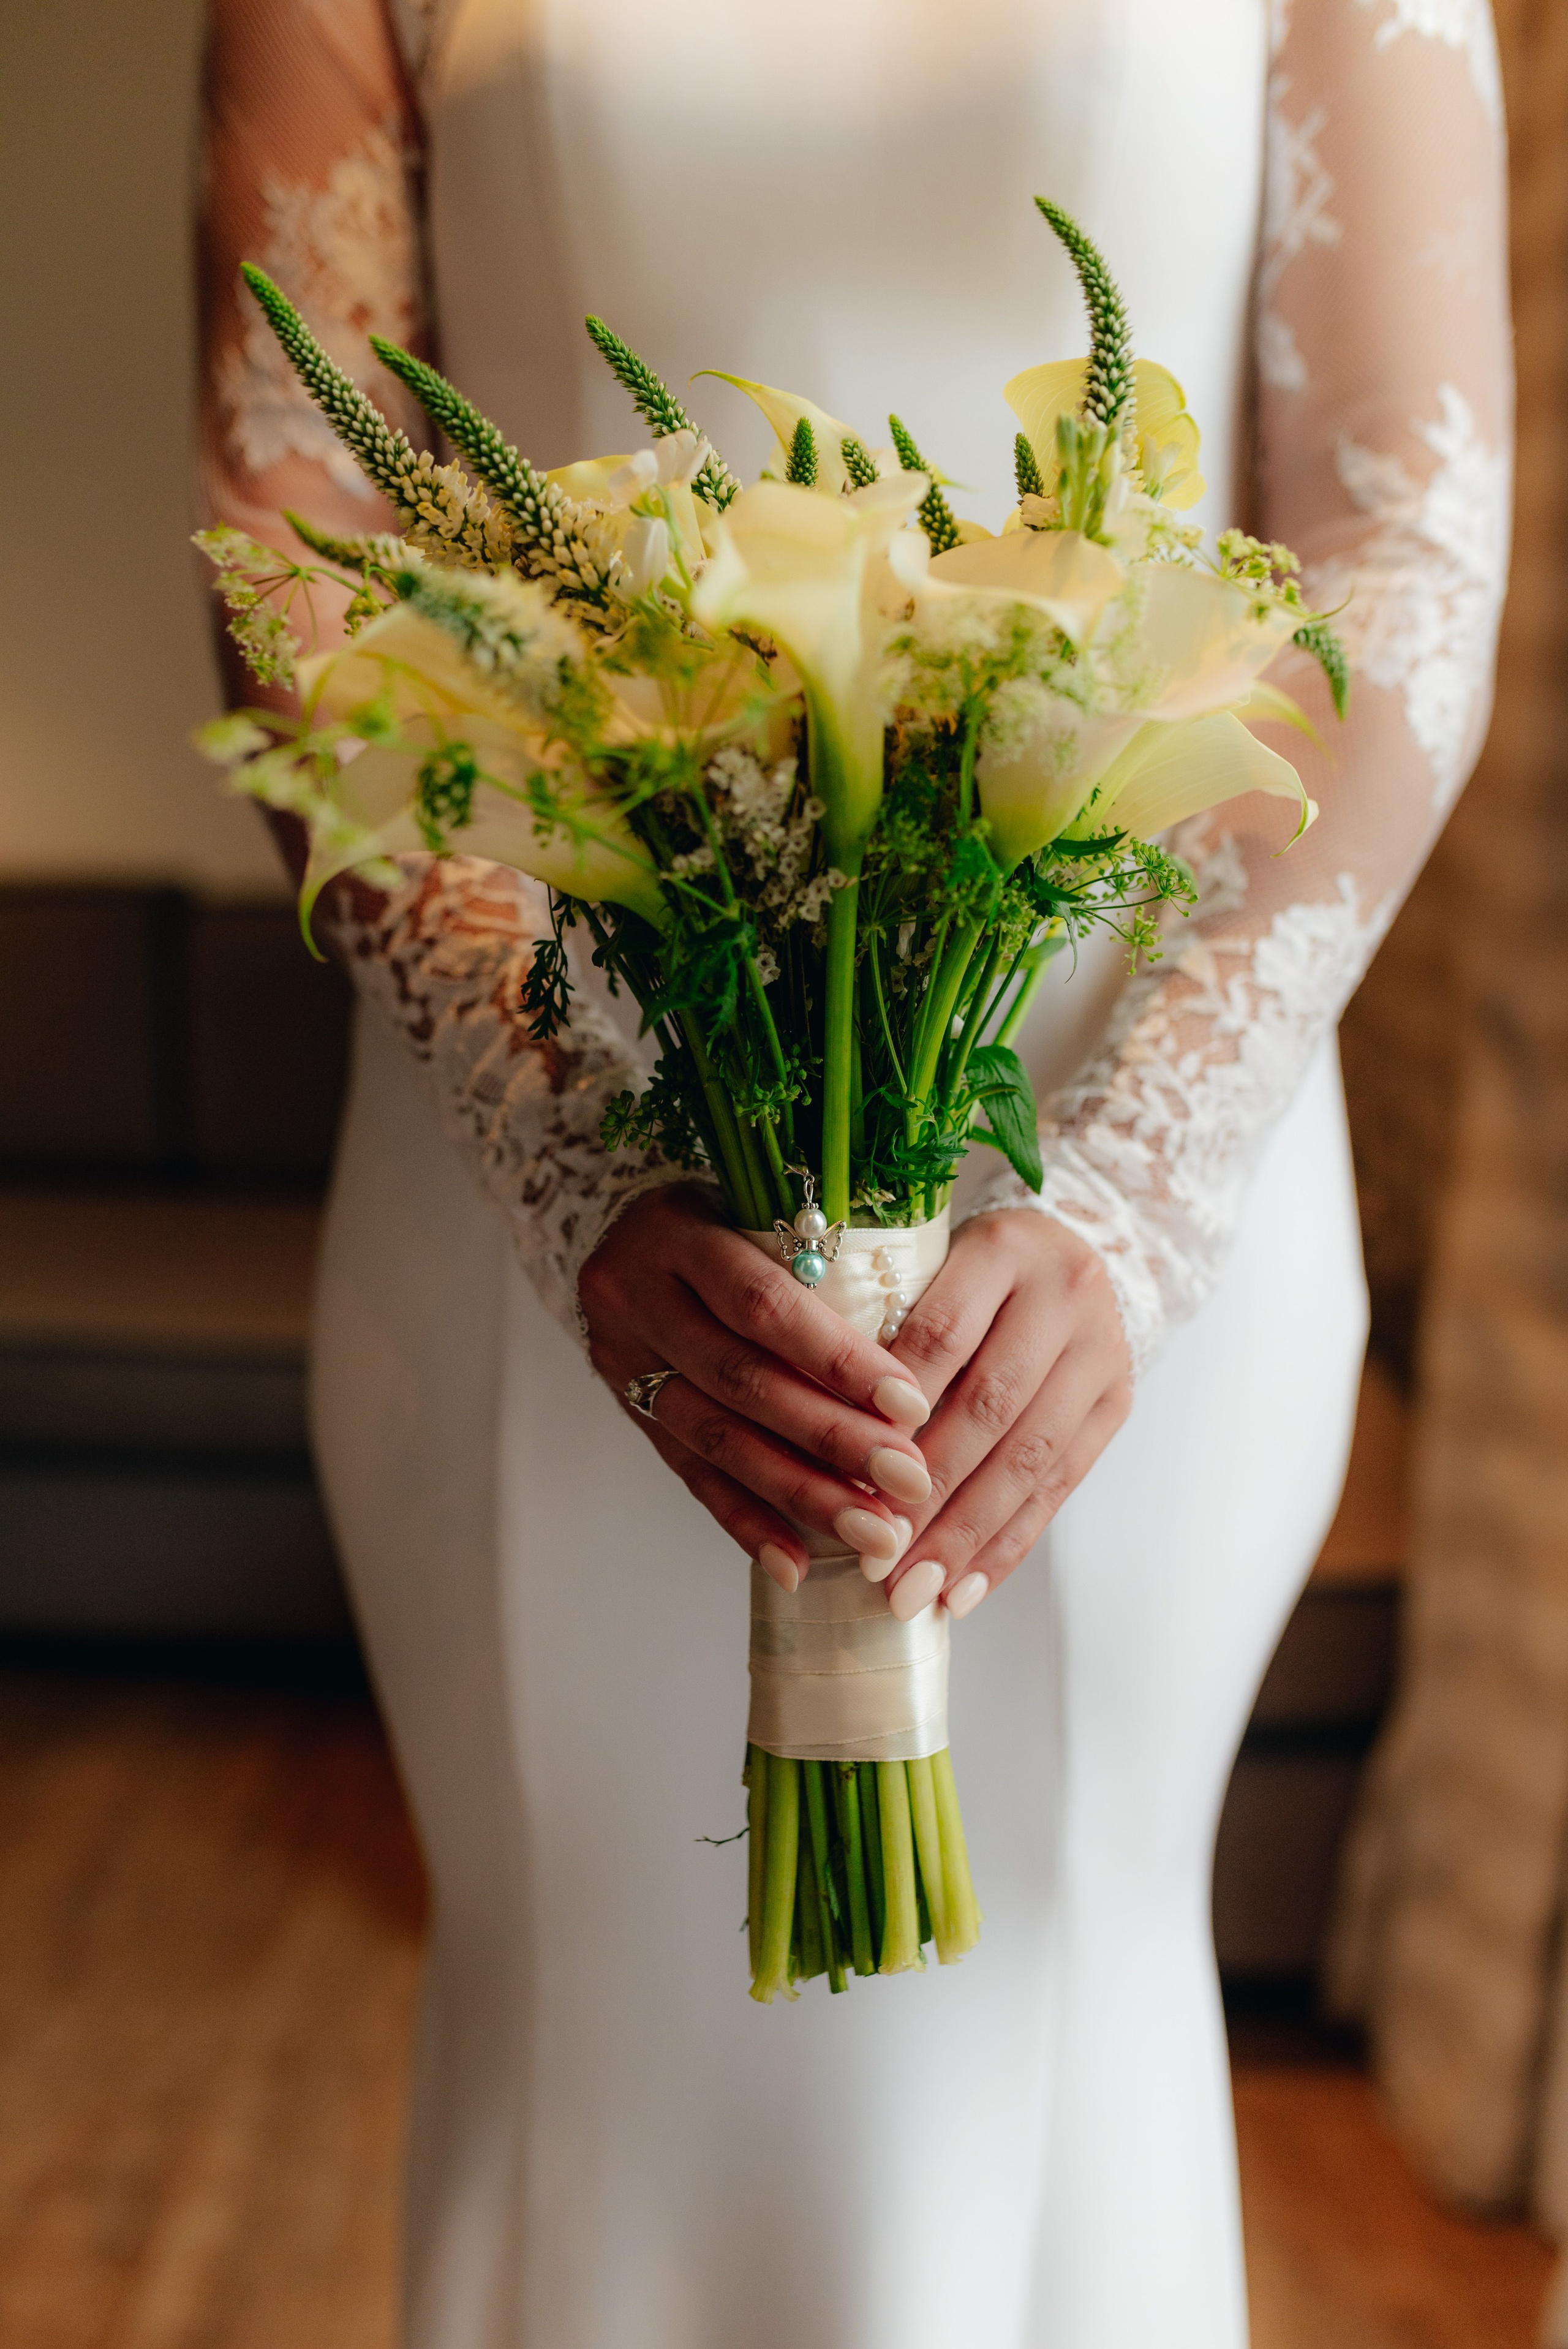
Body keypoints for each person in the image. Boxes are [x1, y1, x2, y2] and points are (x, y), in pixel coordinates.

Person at [197, 4, 1511, 2342]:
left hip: (1121, 1195)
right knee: (587, 2021)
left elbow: (1399, 530)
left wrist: (1127, 1197)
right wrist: (568, 1148)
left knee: (1068, 2011)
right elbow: (303, 520)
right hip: (548, 1168)